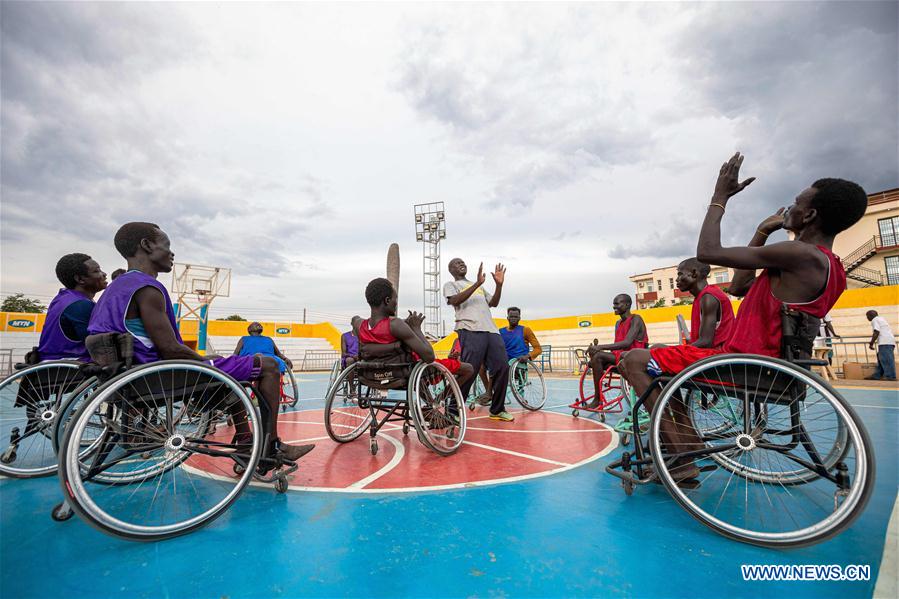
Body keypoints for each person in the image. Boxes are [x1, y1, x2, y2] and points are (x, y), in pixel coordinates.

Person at [619, 153, 867, 485]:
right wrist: (761, 232)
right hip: (771, 366)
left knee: (634, 360)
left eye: (796, 203)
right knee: (659, 359)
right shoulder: (828, 265)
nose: (788, 208)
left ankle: (682, 454)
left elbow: (706, 252)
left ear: (808, 215)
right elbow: (739, 286)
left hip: (746, 364)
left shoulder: (800, 253)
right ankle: (680, 442)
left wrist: (719, 197)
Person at [87, 222, 313, 463]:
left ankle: (247, 440)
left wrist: (209, 361)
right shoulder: (148, 288)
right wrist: (204, 362)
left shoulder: (114, 289)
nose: (171, 253)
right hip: (158, 377)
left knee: (224, 364)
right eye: (167, 246)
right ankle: (270, 447)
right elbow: (170, 349)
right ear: (147, 245)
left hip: (126, 376)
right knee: (268, 365)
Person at [357, 277, 473, 390]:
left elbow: (373, 326)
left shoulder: (360, 326)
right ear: (387, 300)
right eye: (395, 299)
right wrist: (417, 328)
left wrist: (404, 323)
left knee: (416, 366)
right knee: (468, 369)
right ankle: (440, 399)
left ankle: (429, 404)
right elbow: (429, 357)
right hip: (403, 373)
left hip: (372, 375)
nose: (396, 303)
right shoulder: (395, 325)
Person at [443, 259, 515, 422]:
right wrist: (476, 283)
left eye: (463, 262)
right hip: (469, 329)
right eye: (456, 263)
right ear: (451, 270)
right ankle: (453, 411)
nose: (461, 264)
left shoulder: (480, 287)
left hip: (491, 330)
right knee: (470, 370)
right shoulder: (450, 284)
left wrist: (499, 285)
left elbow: (494, 303)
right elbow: (454, 301)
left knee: (502, 367)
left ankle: (497, 409)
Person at [35, 253, 108, 361]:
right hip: (68, 368)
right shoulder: (79, 304)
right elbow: (99, 345)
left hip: (52, 364)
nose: (104, 274)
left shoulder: (63, 298)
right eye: (96, 271)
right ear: (80, 279)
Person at [585, 294, 647, 409]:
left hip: (635, 357)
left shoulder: (636, 319)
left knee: (598, 357)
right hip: (621, 357)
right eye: (614, 304)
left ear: (627, 304)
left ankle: (597, 400)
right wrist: (595, 351)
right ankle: (598, 398)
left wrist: (600, 348)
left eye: (617, 304)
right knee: (594, 360)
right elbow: (618, 346)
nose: (614, 307)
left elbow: (627, 343)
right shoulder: (618, 323)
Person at [675, 257, 735, 349]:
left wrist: (680, 350)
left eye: (680, 274)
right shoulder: (701, 296)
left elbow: (705, 342)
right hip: (707, 354)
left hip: (715, 355)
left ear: (694, 274)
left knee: (655, 351)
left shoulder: (708, 297)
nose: (677, 279)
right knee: (657, 349)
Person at [865, 310, 896, 381]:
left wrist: (871, 343)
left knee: (886, 360)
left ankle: (890, 376)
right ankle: (877, 375)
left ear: (870, 315)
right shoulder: (881, 319)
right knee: (881, 359)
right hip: (888, 341)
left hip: (885, 342)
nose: (867, 318)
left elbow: (876, 331)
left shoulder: (875, 320)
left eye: (867, 316)